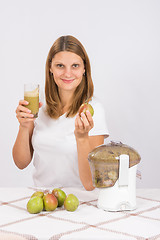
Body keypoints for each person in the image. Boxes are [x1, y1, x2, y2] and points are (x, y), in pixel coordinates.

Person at [12, 35, 109, 191]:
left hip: (79, 203)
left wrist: (82, 137)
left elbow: (91, 183)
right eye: (60, 66)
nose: (68, 73)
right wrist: (24, 126)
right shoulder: (38, 104)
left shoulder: (94, 109)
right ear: (50, 68)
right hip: (42, 200)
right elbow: (21, 163)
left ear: (84, 68)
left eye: (75, 66)